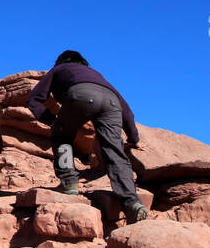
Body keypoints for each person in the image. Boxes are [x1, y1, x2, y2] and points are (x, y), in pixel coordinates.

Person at [26, 50, 147, 223]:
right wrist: (134, 138)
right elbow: (126, 111)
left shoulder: (58, 70)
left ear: (60, 61)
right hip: (111, 101)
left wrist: (51, 120)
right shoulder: (97, 75)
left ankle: (69, 183)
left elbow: (34, 99)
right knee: (115, 152)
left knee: (62, 136)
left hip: (79, 94)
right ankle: (132, 202)